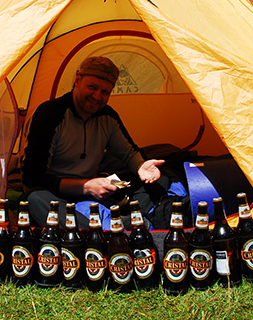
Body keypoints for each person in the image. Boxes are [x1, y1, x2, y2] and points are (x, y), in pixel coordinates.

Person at [20, 56, 165, 229]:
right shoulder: (50, 114)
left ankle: (124, 219)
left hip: (94, 188)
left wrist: (141, 166)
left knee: (157, 180)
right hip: (54, 191)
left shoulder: (107, 116)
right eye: (92, 87)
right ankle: (101, 232)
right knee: (35, 198)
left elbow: (129, 153)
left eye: (105, 92)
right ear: (78, 80)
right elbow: (32, 178)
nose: (97, 96)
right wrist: (86, 186)